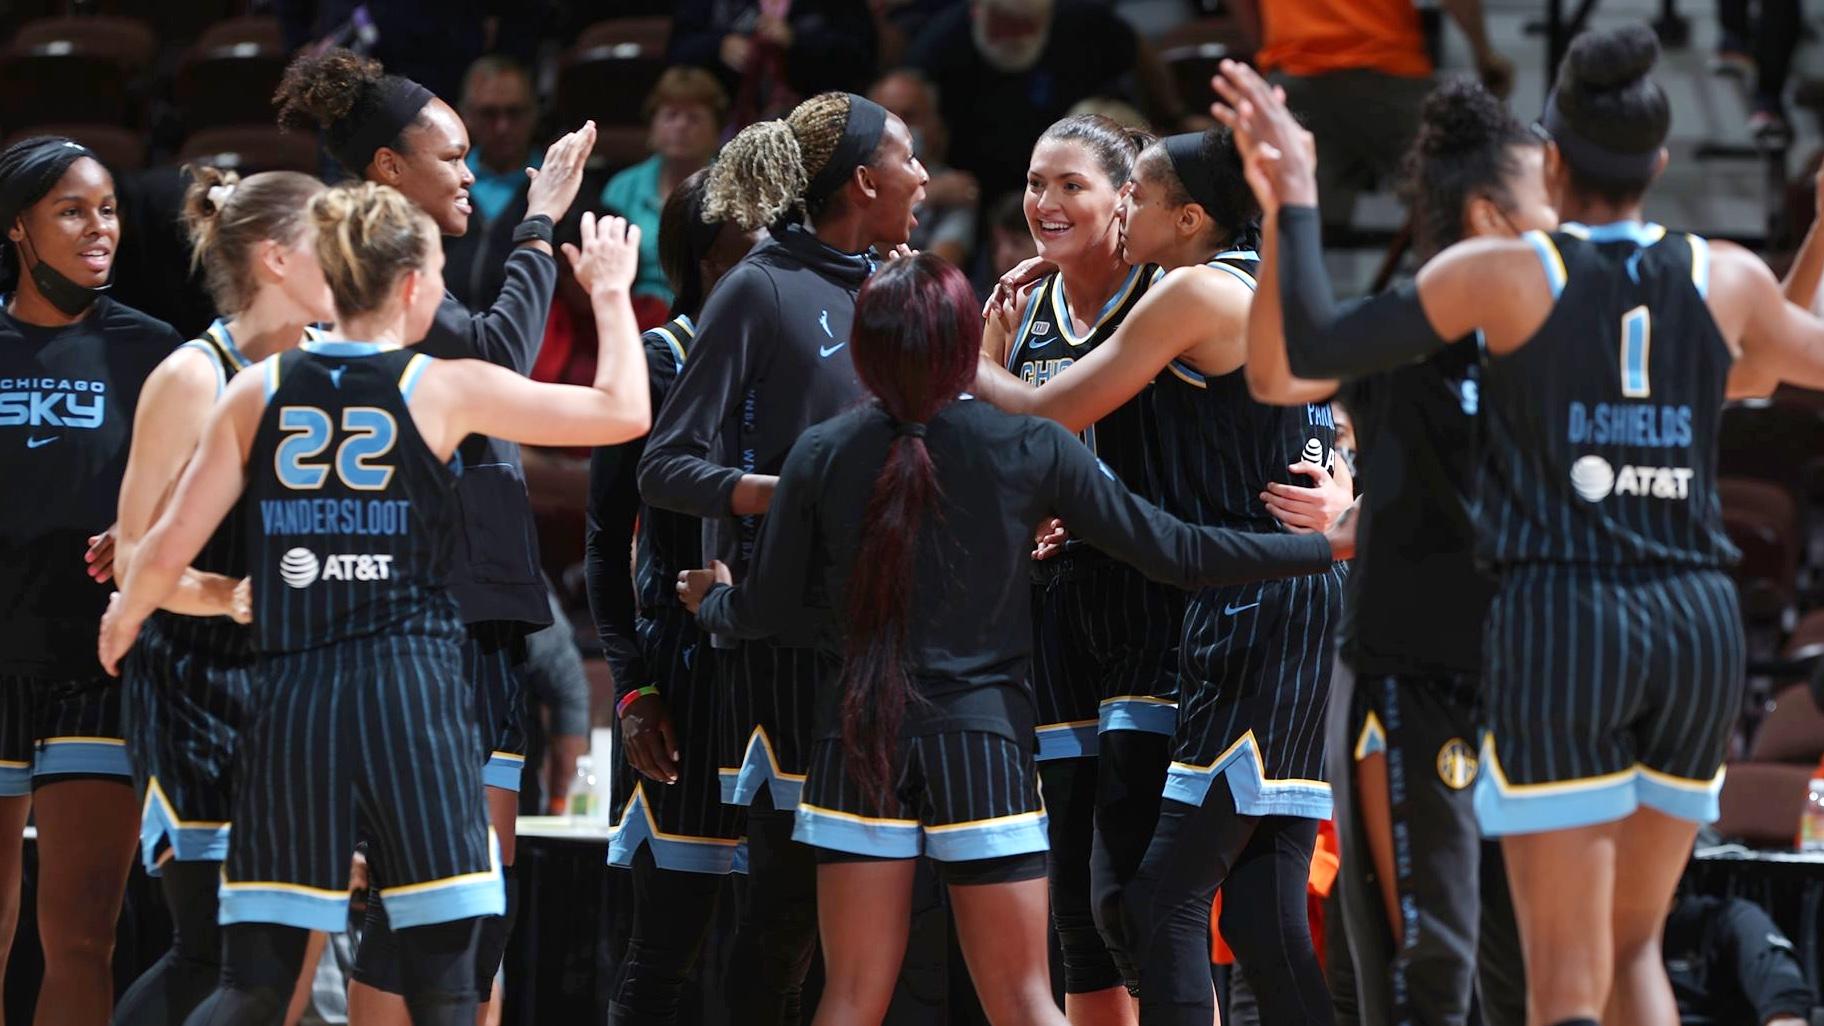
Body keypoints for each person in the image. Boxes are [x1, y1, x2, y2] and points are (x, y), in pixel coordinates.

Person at [1210, 24, 1824, 1026]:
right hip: (1682, 629)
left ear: (1557, 158)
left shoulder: (1507, 280)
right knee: (1630, 956)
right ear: (1660, 163)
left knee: (1562, 979)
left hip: (1566, 625)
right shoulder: (1720, 275)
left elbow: (1302, 349)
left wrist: (1297, 199)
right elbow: (1770, 368)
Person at [675, 253, 1354, 1026]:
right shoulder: (1027, 447)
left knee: (850, 998)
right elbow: (1180, 552)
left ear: (864, 347)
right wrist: (1326, 545)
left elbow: (768, 612)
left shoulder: (821, 454)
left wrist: (714, 601)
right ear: (969, 343)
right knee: (1028, 1002)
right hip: (983, 744)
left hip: (857, 738)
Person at [96, 185, 651, 1025]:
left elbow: (165, 544)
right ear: (409, 287)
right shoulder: (443, 388)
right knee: (443, 984)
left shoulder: (257, 388)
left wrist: (124, 618)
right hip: (411, 704)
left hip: (291, 708)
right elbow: (622, 412)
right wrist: (610, 292)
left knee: (250, 983)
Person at [973, 125, 1350, 1026]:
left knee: (1157, 901)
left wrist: (964, 361)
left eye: (1129, 196)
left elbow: (1049, 412)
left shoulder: (1190, 292)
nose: (1122, 212)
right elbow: (1331, 413)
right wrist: (1341, 481)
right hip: (1252, 594)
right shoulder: (1263, 284)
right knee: (1256, 914)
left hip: (1244, 594)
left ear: (1186, 217)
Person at [271, 47, 598, 1020]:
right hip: (423, 632)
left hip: (483, 622)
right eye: (450, 156)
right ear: (385, 170)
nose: (468, 172)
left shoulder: (422, 283)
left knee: (471, 918)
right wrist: (543, 226)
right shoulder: (372, 283)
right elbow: (503, 353)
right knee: (423, 923)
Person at [1242, 77, 1548, 1026]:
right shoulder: (1417, 317)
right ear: (1494, 212)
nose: (1570, 215)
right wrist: (1284, 205)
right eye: (1554, 193)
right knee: (1425, 968)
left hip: (1528, 677)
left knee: (1528, 970)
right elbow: (1280, 370)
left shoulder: (1565, 324)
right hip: (1414, 675)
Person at [636, 90, 926, 1024]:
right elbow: (667, 466)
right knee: (783, 920)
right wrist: (789, 493)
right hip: (779, 644)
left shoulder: (895, 284)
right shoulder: (758, 287)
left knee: (865, 928)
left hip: (883, 635)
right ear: (865, 180)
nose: (925, 176)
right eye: (909, 159)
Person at [110, 165, 332, 1026]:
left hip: (304, 691)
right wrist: (232, 597)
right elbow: (135, 556)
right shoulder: (191, 377)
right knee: (212, 952)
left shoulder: (336, 367)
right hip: (196, 686)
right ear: (276, 260)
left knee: (274, 965)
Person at [0, 136, 183, 1026]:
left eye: (106, 208)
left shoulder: (154, 351)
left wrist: (142, 532)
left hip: (98, 667)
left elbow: (203, 493)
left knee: (80, 938)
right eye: (71, 210)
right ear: (18, 229)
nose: (96, 227)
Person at [587, 168, 759, 1026]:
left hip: (778, 674)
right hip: (680, 687)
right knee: (662, 962)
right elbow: (601, 545)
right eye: (755, 236)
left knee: (782, 964)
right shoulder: (660, 361)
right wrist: (631, 688)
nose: (775, 247)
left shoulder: (803, 343)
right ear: (705, 257)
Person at [1226, 0, 1512, 236]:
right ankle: (1449, 291)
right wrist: (1484, 55)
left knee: (1291, 221)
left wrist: (1268, 56)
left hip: (1295, 79)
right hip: (1388, 71)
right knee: (1452, 200)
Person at [908, 0, 1192, 217]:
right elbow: (906, 95)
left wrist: (1173, 115)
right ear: (977, 10)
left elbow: (1136, 50)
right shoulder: (942, 45)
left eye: (1024, 25)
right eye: (1004, 23)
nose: (1012, 34)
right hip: (979, 183)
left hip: (1072, 169)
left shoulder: (1081, 22)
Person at [600, 66, 729, 321]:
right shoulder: (622, 187)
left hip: (712, 316)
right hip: (631, 316)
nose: (681, 126)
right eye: (670, 115)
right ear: (653, 125)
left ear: (717, 130)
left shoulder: (732, 186)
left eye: (694, 117)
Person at [668, 0, 880, 124]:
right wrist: (718, 45)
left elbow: (861, 57)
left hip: (818, 120)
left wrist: (796, 41)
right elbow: (677, 50)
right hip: (727, 121)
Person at [446, 56, 541, 313]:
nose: (502, 127)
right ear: (465, 115)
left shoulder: (559, 190)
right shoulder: (443, 183)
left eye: (514, 112)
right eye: (489, 114)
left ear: (534, 114)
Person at [868, 69, 979, 268]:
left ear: (934, 124)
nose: (898, 126)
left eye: (909, 116)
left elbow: (934, 275)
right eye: (889, 115)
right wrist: (927, 195)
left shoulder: (956, 189)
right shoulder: (854, 174)